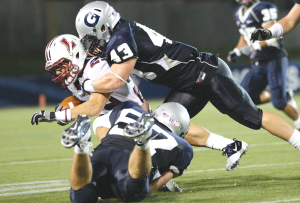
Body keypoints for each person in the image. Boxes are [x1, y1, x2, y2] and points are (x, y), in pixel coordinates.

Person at [72, 1, 300, 157]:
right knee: (159, 128)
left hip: (206, 74)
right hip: (188, 82)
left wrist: (86, 83)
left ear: (103, 26)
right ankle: (162, 174)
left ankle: (298, 140)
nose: (92, 44)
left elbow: (115, 81)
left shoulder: (121, 38)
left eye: (92, 37)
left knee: (252, 117)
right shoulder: (121, 34)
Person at [31, 34, 249, 171]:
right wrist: (69, 105)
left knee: (102, 125)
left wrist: (55, 115)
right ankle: (229, 145)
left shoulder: (95, 68)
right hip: (120, 113)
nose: (59, 72)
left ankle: (138, 172)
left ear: (75, 56)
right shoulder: (75, 76)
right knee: (167, 134)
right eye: (55, 69)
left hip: (132, 110)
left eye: (62, 65)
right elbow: (83, 99)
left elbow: (94, 106)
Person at [61, 101, 193, 202]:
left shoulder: (129, 107)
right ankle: (142, 143)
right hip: (129, 162)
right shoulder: (183, 147)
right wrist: (146, 188)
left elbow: (101, 124)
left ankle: (81, 147)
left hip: (103, 150)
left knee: (80, 197)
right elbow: (155, 185)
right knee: (134, 190)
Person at [227, 0, 300, 130]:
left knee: (279, 103)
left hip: (274, 58)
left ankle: (299, 121)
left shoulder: (264, 7)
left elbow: (274, 34)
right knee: (245, 98)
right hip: (258, 61)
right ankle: (282, 95)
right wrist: (237, 51)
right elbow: (244, 35)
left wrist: (254, 46)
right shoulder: (238, 13)